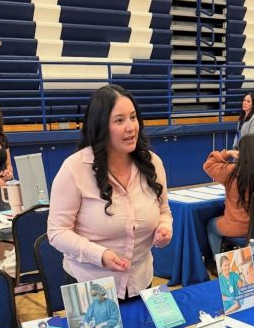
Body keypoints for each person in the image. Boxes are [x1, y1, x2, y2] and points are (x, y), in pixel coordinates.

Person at [48, 84, 172, 300]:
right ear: (101, 126)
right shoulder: (75, 169)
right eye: (119, 120)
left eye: (133, 117)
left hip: (140, 281)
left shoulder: (152, 163)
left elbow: (164, 210)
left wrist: (164, 226)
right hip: (91, 286)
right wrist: (100, 255)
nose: (131, 127)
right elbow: (57, 233)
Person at [203, 134, 254, 258]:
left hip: (236, 227)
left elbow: (208, 165)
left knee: (210, 225)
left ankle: (219, 262)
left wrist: (227, 153)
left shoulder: (230, 171)